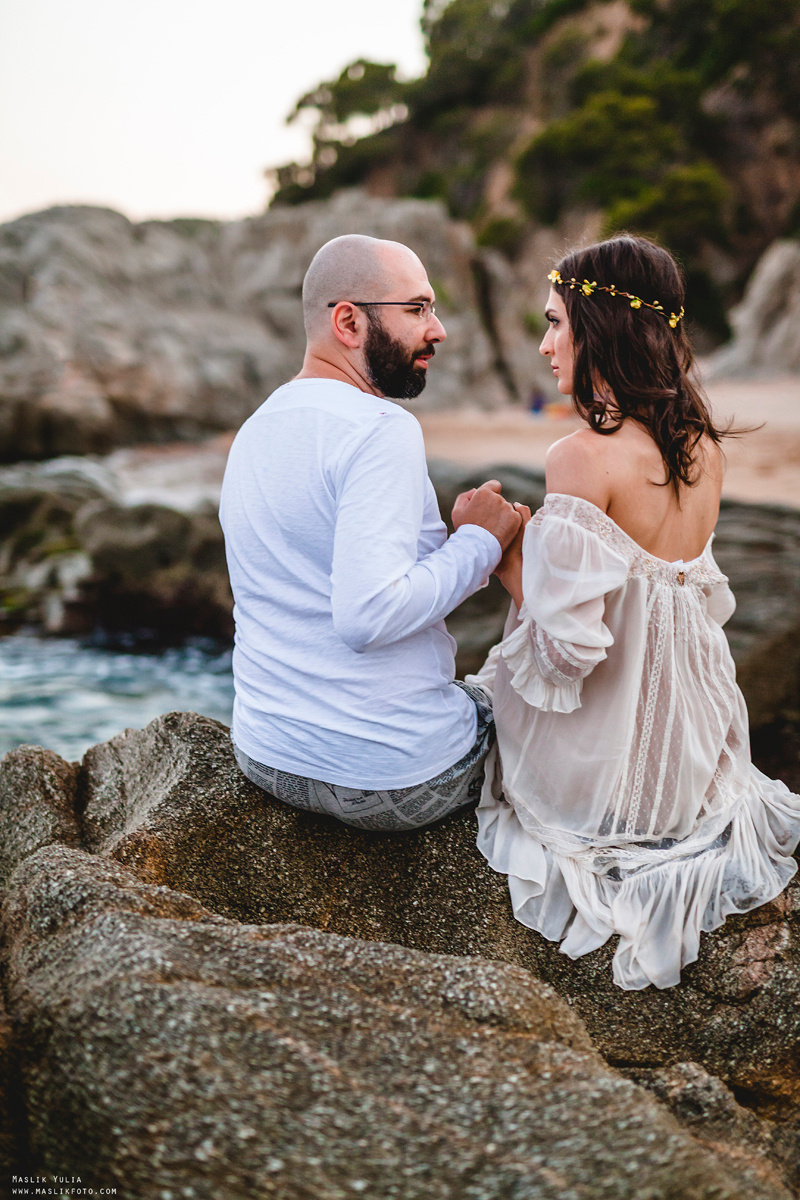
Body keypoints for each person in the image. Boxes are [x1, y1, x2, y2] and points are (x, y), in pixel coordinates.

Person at [470, 235, 800, 990]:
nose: (546, 345)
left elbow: (566, 653)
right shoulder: (703, 449)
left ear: (600, 327)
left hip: (604, 763)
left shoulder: (582, 456)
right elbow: (672, 603)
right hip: (692, 756)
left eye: (556, 322)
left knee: (469, 715)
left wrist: (500, 548)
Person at [219, 233, 522, 831]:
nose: (438, 330)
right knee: (540, 711)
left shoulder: (255, 427)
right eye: (416, 309)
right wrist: (480, 542)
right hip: (390, 778)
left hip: (267, 755)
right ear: (349, 322)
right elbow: (368, 615)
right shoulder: (381, 428)